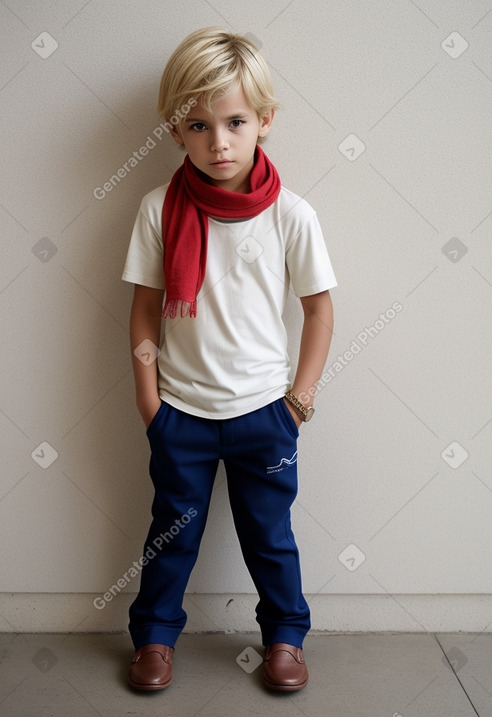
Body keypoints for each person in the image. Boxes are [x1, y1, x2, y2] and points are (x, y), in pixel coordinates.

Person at [121, 26, 337, 693]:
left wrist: (298, 397)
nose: (219, 141)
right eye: (198, 124)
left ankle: (284, 636)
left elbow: (320, 310)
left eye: (235, 121)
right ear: (176, 130)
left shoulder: (291, 216)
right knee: (170, 534)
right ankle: (155, 636)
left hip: (264, 413)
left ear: (265, 121)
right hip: (181, 413)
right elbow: (145, 310)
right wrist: (150, 400)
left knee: (270, 536)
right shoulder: (159, 209)